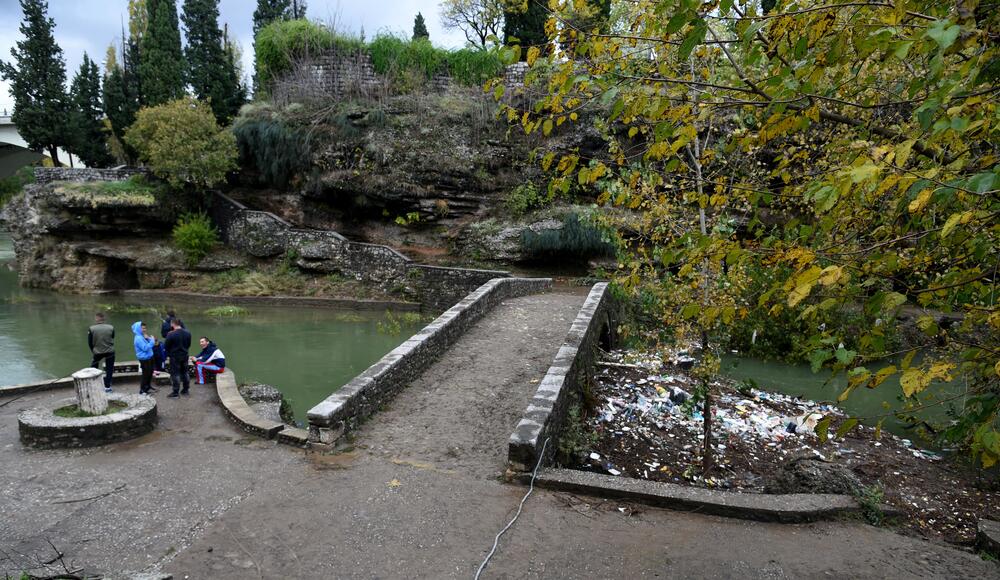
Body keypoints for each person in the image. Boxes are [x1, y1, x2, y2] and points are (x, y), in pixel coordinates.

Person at [164, 318, 192, 398]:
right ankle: (186, 390)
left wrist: (169, 353)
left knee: (175, 374)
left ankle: (175, 393)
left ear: (173, 324)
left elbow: (166, 346)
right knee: (185, 372)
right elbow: (188, 344)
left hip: (175, 356)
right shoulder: (188, 332)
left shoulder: (171, 334)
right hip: (185, 355)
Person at [88, 312, 115, 392]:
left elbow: (90, 342)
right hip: (110, 351)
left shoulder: (91, 328)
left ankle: (93, 384)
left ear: (96, 319)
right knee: (109, 369)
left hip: (97, 352)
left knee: (93, 368)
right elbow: (112, 337)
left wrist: (93, 351)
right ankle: (107, 387)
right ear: (104, 319)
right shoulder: (111, 327)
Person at [132, 321, 156, 395]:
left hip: (150, 357)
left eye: (145, 328)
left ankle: (148, 386)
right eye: (142, 328)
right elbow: (145, 348)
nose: (144, 330)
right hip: (144, 359)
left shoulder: (142, 336)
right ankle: (142, 390)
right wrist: (152, 341)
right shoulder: (138, 338)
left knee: (150, 373)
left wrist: (149, 338)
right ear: (138, 329)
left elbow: (148, 344)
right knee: (146, 374)